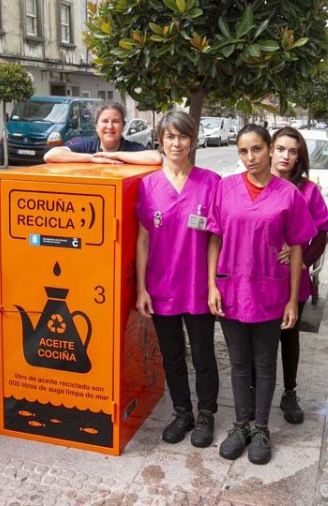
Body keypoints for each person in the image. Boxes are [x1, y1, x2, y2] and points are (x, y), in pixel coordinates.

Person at [207, 124, 316, 465]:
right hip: (231, 288)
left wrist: (293, 300)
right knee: (239, 363)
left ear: (269, 149)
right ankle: (240, 426)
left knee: (265, 364)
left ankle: (262, 429)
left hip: (271, 291)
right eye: (243, 151)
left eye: (256, 149)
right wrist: (211, 284)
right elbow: (214, 238)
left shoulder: (288, 194)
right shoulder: (225, 189)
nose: (250, 158)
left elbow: (298, 247)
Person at [135, 111, 221, 447]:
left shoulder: (210, 182)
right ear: (160, 142)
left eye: (182, 137)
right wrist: (142, 288)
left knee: (203, 356)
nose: (176, 143)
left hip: (198, 286)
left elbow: (216, 236)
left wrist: (214, 284)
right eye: (170, 137)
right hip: (161, 287)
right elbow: (143, 239)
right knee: (171, 356)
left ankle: (206, 415)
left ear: (192, 141)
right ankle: (182, 411)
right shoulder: (148, 185)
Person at [267, 127, 328, 424]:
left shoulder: (308, 190)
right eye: (281, 149)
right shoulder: (255, 184)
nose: (286, 156)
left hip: (293, 283)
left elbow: (321, 234)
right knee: (259, 340)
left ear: (299, 157)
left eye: (292, 151)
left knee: (288, 337)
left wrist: (301, 261)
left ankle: (289, 392)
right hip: (257, 281)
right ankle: (257, 390)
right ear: (270, 150)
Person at [43, 103, 162, 165]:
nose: (109, 127)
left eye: (115, 121)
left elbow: (156, 158)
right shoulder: (87, 146)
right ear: (96, 126)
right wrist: (92, 158)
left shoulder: (131, 147)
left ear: (123, 126)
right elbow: (50, 155)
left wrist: (114, 156)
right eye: (105, 121)